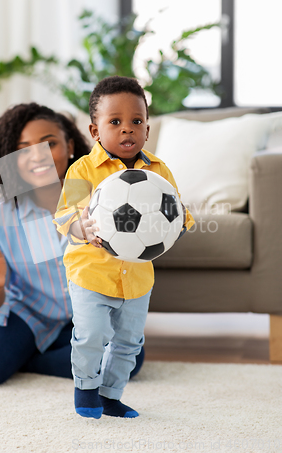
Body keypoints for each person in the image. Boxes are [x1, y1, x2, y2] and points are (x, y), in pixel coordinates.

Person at [0, 102, 144, 387]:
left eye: (48, 144)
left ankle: (21, 359)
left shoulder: (102, 196)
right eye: (23, 148)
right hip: (24, 314)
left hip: (80, 316)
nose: (36, 156)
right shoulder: (1, 212)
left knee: (128, 359)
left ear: (71, 146)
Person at [54, 76, 195, 419]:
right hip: (90, 273)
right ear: (95, 130)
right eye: (115, 122)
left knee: (130, 343)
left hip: (136, 278)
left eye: (136, 121)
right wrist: (80, 227)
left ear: (148, 129)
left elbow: (177, 214)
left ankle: (110, 395)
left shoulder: (158, 172)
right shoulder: (83, 169)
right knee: (92, 334)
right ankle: (85, 388)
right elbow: (64, 216)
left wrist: (177, 228)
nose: (127, 130)